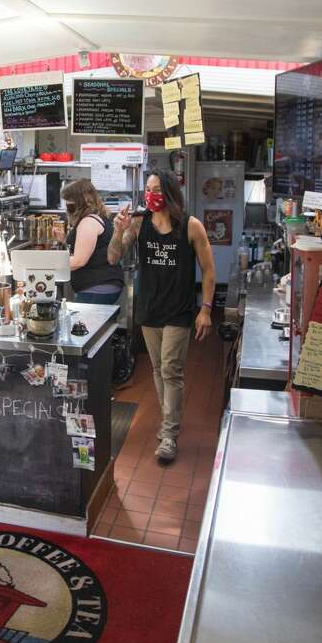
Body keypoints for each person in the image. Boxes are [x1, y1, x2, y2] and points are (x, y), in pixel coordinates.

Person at [108, 171, 216, 464]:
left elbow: (208, 270)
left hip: (179, 310)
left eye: (155, 189)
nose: (150, 194)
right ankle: (169, 421)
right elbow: (113, 257)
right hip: (150, 309)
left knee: (171, 370)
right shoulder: (140, 224)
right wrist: (118, 230)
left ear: (169, 193)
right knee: (157, 369)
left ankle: (169, 434)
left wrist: (205, 309)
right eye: (147, 189)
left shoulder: (190, 226)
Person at [62, 179, 125, 305]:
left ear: (82, 200)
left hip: (96, 287)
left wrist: (48, 266)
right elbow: (88, 247)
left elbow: (79, 260)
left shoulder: (88, 222)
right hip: (103, 285)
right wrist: (64, 239)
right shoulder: (98, 217)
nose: (67, 204)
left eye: (70, 200)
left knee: (86, 325)